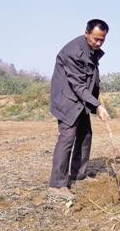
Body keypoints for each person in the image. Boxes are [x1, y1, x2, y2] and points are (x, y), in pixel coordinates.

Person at [47, 19, 111, 199]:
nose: (98, 43)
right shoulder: (73, 52)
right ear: (86, 33)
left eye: (102, 40)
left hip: (80, 100)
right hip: (67, 99)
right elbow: (77, 85)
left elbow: (88, 76)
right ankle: (57, 185)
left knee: (85, 134)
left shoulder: (91, 50)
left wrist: (96, 85)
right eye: (96, 39)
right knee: (67, 138)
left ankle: (79, 174)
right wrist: (98, 106)